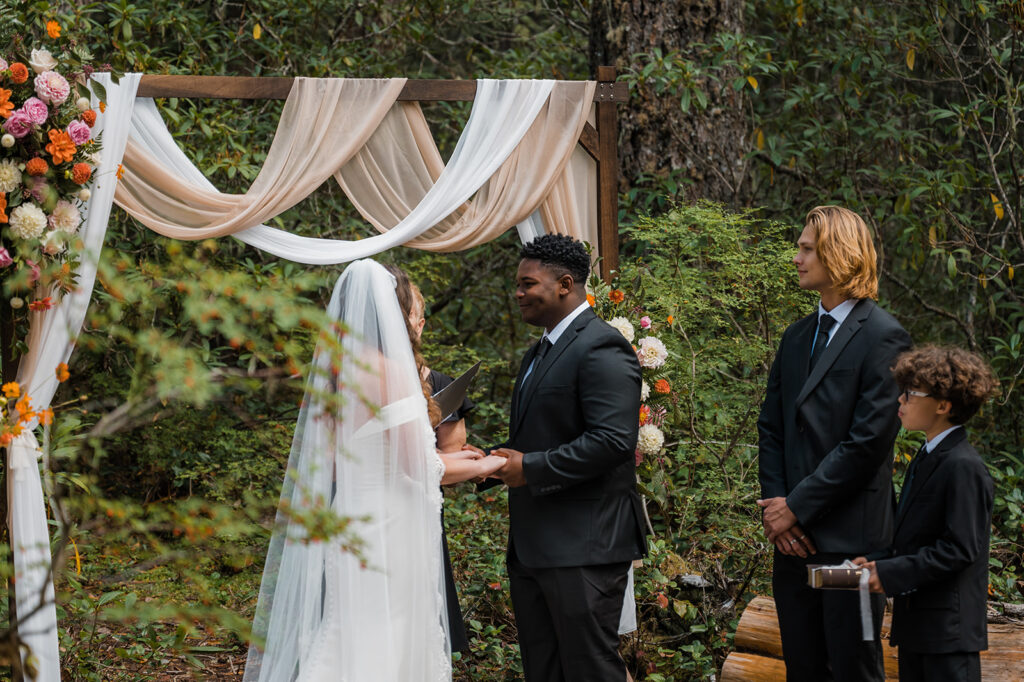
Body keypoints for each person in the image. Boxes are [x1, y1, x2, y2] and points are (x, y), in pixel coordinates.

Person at [243, 259, 505, 682]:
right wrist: (494, 461)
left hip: (353, 516)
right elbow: (419, 465)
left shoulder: (335, 372)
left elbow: (365, 457)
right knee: (388, 630)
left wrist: (467, 460)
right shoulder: (387, 371)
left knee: (352, 627)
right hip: (389, 523)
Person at [470, 234, 647, 681]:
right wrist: (487, 462)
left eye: (528, 284)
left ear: (565, 284)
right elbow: (542, 435)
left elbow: (612, 442)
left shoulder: (602, 346)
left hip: (583, 548)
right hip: (535, 548)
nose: (518, 293)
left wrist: (527, 469)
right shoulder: (540, 350)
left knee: (590, 671)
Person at [756, 206, 912, 681]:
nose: (797, 258)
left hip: (852, 548)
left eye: (807, 249)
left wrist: (795, 507)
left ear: (837, 254)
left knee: (852, 668)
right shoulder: (797, 336)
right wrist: (777, 513)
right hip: (793, 548)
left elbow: (867, 444)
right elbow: (771, 428)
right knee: (804, 668)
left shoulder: (885, 337)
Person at [853, 346, 997, 682]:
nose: (899, 401)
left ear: (943, 406)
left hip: (948, 635)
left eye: (909, 394)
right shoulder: (927, 455)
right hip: (919, 629)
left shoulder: (964, 466)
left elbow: (959, 549)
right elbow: (916, 538)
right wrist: (877, 563)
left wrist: (890, 574)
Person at [385, 264, 477, 654]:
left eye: (420, 314)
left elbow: (452, 459)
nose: (419, 322)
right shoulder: (363, 379)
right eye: (414, 313)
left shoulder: (440, 384)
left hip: (418, 511)